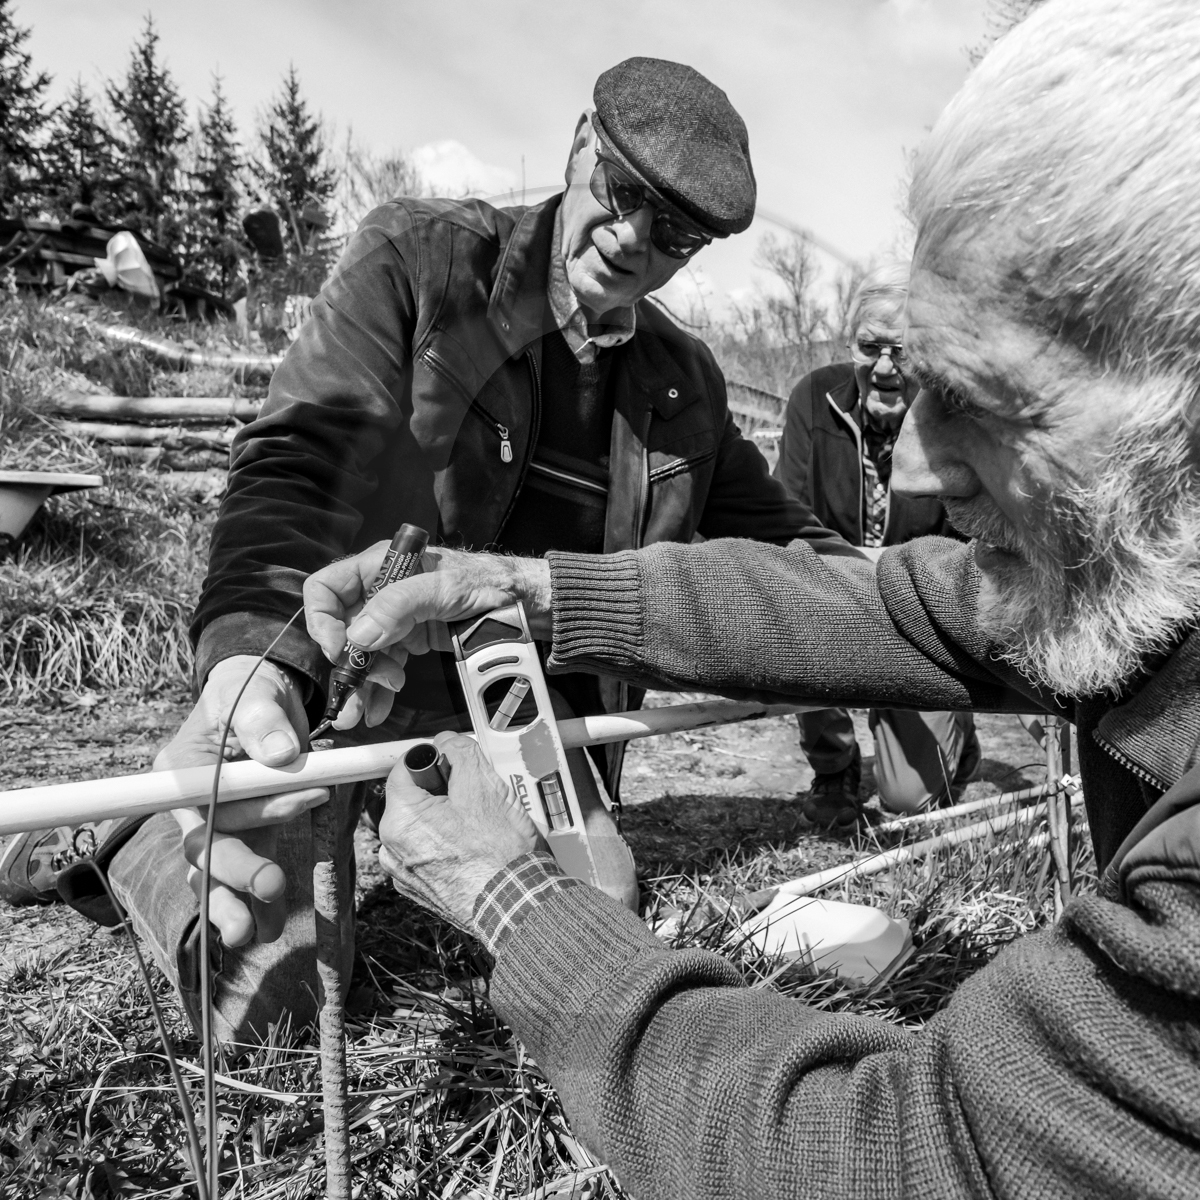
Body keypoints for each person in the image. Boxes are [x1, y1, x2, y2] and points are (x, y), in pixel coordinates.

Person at [298, 1, 1200, 1195]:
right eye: (916, 384)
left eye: (988, 402)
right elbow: (865, 602)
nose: (917, 471)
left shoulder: (680, 383)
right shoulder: (419, 267)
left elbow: (913, 1153)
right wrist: (515, 584)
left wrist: (518, 907)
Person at [0, 57, 851, 1044]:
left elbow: (792, 546)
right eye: (622, 197)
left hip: (518, 718)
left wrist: (917, 603)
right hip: (354, 676)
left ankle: (193, 830)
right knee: (268, 998)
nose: (632, 241)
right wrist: (255, 651)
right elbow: (303, 456)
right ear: (580, 147)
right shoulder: (424, 261)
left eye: (675, 234)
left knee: (598, 917)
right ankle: (130, 841)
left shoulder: (684, 387)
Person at [775, 263, 978, 827]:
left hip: (917, 611)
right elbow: (786, 507)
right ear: (851, 344)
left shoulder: (952, 416)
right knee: (791, 614)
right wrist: (834, 576)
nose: (884, 366)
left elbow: (965, 541)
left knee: (908, 802)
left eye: (903, 351)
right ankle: (833, 766)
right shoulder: (813, 398)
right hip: (829, 592)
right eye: (870, 347)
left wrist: (902, 586)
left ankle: (957, 728)